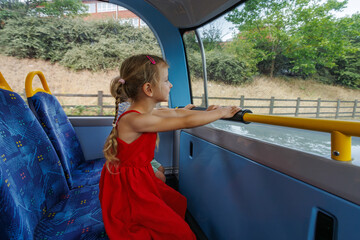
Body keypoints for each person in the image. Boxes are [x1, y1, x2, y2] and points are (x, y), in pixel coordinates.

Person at [99, 54, 241, 240]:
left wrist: (206, 112)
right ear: (148, 89)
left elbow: (175, 112)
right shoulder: (134, 119)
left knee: (173, 202)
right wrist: (222, 113)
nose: (171, 84)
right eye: (166, 80)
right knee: (176, 232)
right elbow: (185, 121)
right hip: (129, 187)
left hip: (138, 177)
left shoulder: (146, 113)